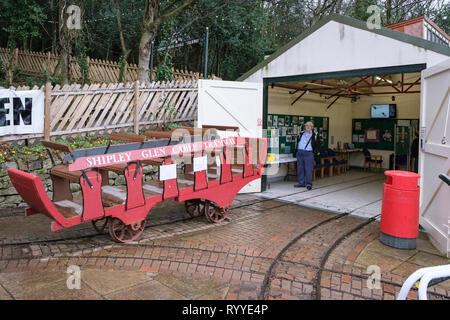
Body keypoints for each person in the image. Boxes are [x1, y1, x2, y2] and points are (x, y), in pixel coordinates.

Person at [294, 121, 321, 190]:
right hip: (300, 153)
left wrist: (314, 154)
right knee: (300, 168)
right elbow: (298, 142)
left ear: (312, 127)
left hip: (309, 153)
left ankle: (309, 184)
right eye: (306, 125)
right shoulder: (301, 133)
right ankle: (301, 183)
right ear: (305, 126)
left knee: (308, 169)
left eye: (309, 126)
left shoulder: (315, 135)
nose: (308, 127)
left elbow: (318, 145)